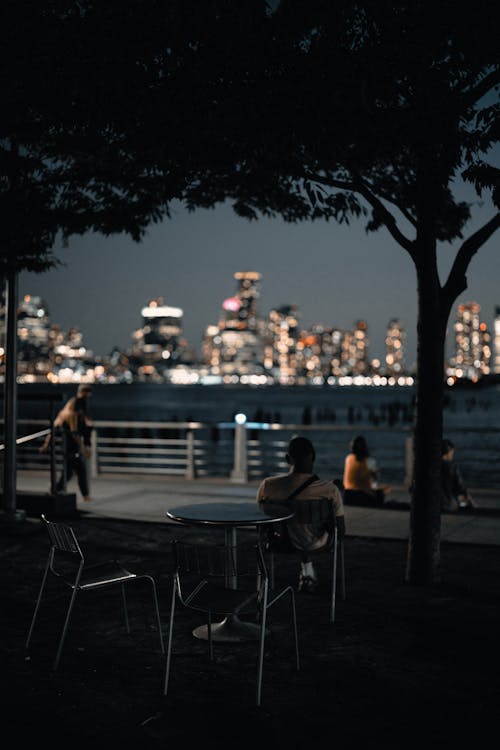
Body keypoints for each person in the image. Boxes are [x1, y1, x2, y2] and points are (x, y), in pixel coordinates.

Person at [256, 436, 345, 593]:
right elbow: (341, 529)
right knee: (306, 530)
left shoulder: (268, 486)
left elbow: (260, 519)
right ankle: (308, 571)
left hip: (282, 541)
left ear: (287, 459)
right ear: (314, 458)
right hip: (319, 543)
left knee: (295, 527)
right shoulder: (330, 490)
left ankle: (302, 572)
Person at [39, 385, 93, 502]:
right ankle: (57, 490)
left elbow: (52, 430)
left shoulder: (66, 412)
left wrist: (46, 445)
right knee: (73, 471)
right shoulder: (71, 413)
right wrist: (83, 448)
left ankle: (60, 491)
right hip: (69, 447)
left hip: (72, 446)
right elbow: (74, 433)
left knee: (74, 471)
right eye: (87, 394)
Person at [343, 434, 391, 506]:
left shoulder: (348, 458)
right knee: (386, 488)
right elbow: (375, 481)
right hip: (362, 495)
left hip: (347, 494)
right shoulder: (369, 461)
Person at [441, 438, 478, 512]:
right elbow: (461, 487)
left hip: (431, 505)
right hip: (449, 505)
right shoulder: (452, 466)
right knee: (462, 503)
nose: (452, 455)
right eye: (452, 453)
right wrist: (471, 502)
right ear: (448, 452)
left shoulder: (430, 466)